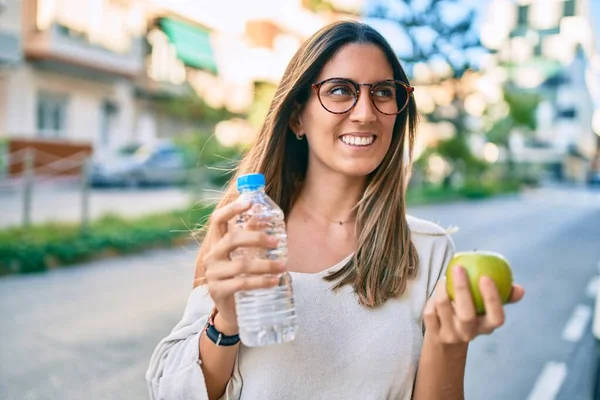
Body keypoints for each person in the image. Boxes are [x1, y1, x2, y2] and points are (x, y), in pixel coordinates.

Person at [146, 20, 525, 400]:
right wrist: (225, 322)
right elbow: (174, 394)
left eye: (383, 92)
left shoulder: (429, 250)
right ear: (297, 116)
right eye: (341, 90)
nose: (365, 112)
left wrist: (450, 343)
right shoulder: (245, 234)